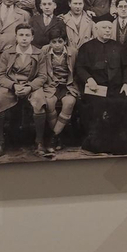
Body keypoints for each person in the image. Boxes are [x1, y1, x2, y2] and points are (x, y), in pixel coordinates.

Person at [72, 17, 127, 155]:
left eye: (109, 28)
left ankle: (122, 146)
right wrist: (89, 79)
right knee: (96, 107)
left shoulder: (118, 47)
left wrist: (126, 84)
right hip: (96, 89)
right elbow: (80, 68)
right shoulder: (86, 47)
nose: (108, 30)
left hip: (116, 88)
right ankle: (97, 146)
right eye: (104, 28)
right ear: (96, 29)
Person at [0, 24, 44, 157]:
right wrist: (13, 86)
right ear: (16, 37)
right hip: (11, 85)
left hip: (31, 85)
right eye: (21, 35)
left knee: (40, 104)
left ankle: (39, 142)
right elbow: (0, 76)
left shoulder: (39, 53)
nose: (24, 38)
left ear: (32, 37)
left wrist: (30, 87)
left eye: (27, 35)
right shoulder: (8, 53)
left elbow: (43, 76)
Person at [31, 23, 77, 157]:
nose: (57, 45)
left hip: (68, 85)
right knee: (50, 103)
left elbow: (77, 70)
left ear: (65, 41)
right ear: (49, 42)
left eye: (60, 41)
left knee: (69, 103)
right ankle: (57, 137)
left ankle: (54, 137)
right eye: (53, 42)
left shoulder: (73, 52)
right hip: (51, 85)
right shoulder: (44, 51)